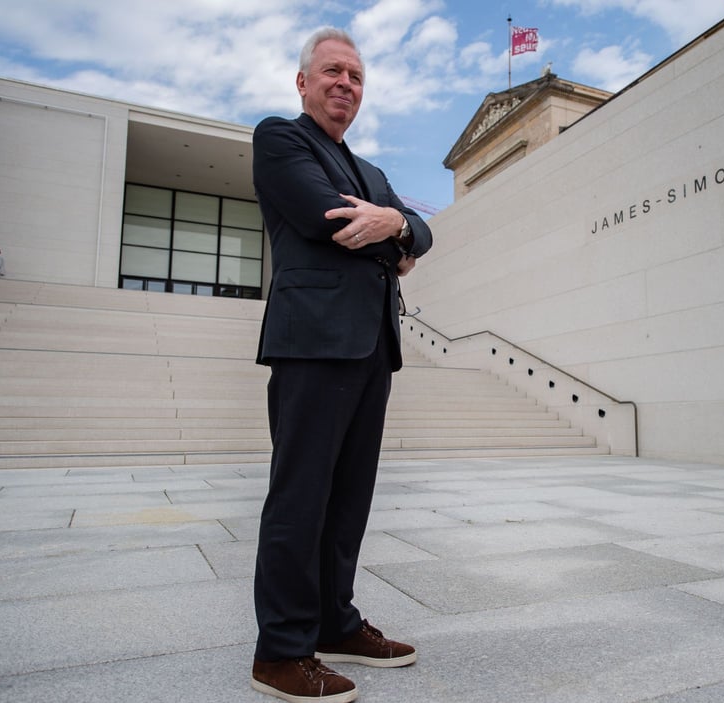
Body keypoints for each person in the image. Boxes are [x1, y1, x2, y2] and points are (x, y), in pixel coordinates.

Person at [250, 27, 432, 703]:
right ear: (304, 82)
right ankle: (281, 651)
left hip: (372, 345)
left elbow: (423, 229)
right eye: (332, 72)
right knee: (300, 498)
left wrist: (396, 225)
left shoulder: (374, 174)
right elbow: (325, 216)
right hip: (313, 341)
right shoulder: (281, 140)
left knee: (349, 499)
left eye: (355, 76)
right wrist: (396, 236)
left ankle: (336, 621)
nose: (344, 84)